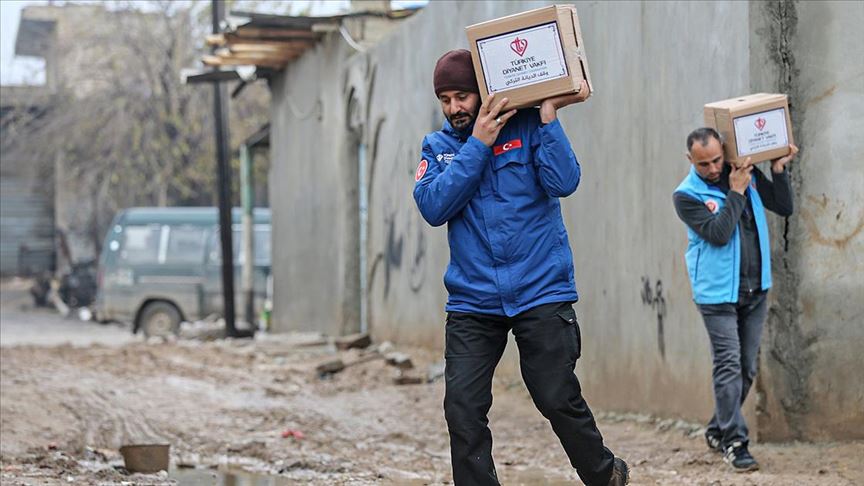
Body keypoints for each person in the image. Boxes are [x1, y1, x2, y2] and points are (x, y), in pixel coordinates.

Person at [413, 49, 629, 486]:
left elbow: (564, 182)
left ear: (484, 93)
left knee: (555, 396)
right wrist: (478, 144)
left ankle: (605, 475)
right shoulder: (437, 148)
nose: (455, 108)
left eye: (463, 96)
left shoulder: (530, 128)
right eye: (446, 99)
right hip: (474, 299)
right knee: (463, 407)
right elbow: (434, 207)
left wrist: (549, 118)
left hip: (540, 289)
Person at [673, 127, 797, 472]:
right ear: (690, 161)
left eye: (716, 160)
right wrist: (736, 192)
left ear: (724, 151)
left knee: (746, 367)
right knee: (728, 365)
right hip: (716, 295)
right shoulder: (686, 195)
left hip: (756, 288)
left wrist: (777, 169)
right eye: (704, 164)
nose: (713, 169)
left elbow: (783, 206)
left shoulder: (745, 172)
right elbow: (718, 233)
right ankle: (734, 441)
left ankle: (717, 428)